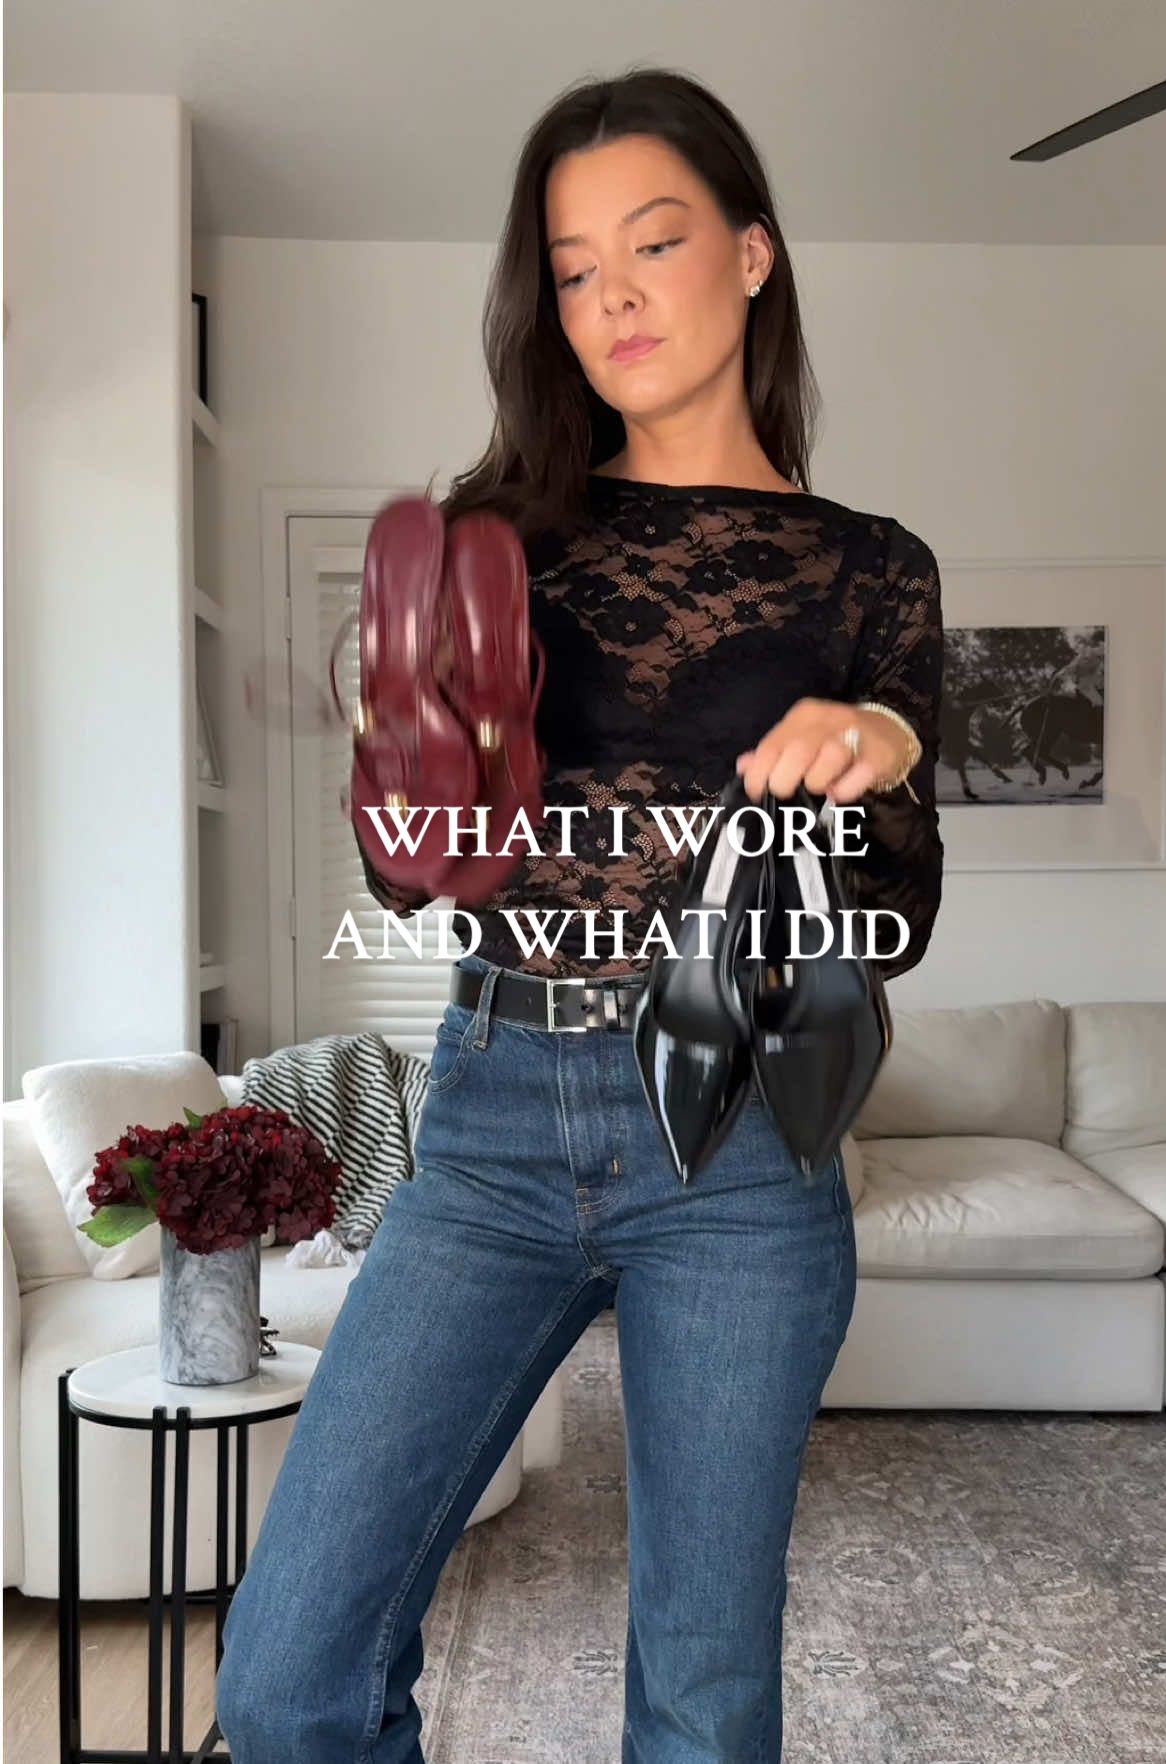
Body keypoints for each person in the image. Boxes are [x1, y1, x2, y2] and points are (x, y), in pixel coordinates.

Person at [215, 67, 944, 1764]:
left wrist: (880, 746)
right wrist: (407, 747)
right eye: (570, 267)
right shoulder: (491, 540)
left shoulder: (869, 568)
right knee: (289, 1680)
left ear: (750, 254)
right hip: (490, 1118)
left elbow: (897, 906)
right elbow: (410, 875)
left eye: (654, 242)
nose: (611, 295)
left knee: (701, 1703)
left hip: (740, 1143)